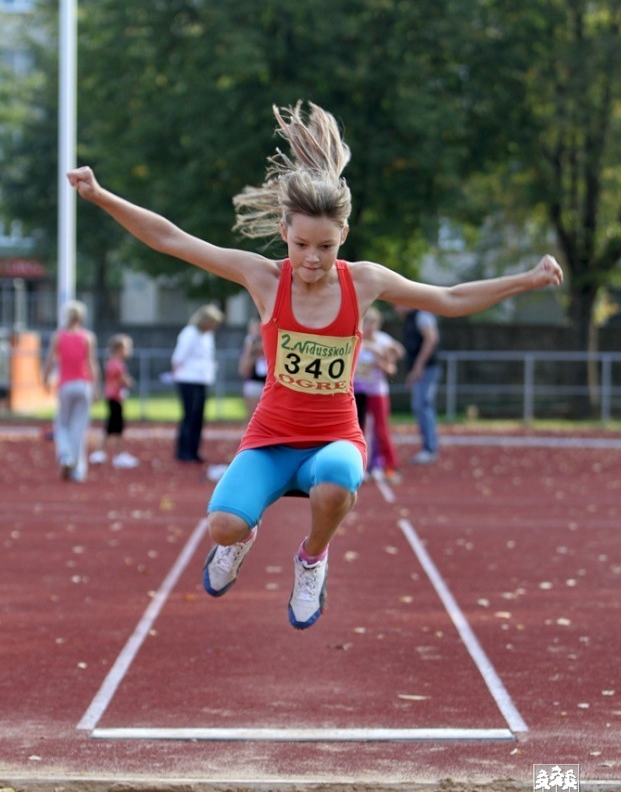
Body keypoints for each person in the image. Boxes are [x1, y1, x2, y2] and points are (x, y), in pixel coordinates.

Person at [67, 100, 563, 630]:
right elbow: (171, 239)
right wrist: (99, 196)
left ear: (343, 238)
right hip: (271, 440)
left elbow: (449, 297)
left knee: (336, 484)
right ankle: (243, 539)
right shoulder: (264, 278)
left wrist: (526, 279)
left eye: (325, 246)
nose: (311, 258)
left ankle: (312, 559)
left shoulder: (364, 281)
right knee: (223, 526)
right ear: (284, 232)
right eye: (301, 243)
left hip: (334, 438)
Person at [42, 300, 100, 482]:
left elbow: (50, 360)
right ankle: (78, 470)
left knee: (62, 424)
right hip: (83, 385)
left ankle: (66, 455)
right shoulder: (87, 337)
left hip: (65, 384)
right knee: (79, 428)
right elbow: (91, 363)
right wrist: (96, 387)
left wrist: (44, 379)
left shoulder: (58, 336)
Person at [353, 306, 404, 482]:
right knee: (358, 430)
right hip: (358, 391)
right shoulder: (356, 339)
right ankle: (360, 467)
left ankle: (390, 467)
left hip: (377, 391)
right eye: (367, 323)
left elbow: (395, 357)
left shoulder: (383, 340)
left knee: (381, 430)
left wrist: (385, 358)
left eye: (374, 323)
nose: (370, 327)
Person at [171, 304, 224, 463]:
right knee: (189, 416)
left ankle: (194, 450)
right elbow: (179, 357)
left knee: (198, 417)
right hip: (188, 379)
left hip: (202, 379)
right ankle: (184, 451)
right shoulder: (190, 333)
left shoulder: (207, 336)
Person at [90, 333, 139, 469]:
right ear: (119, 349)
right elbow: (123, 380)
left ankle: (100, 452)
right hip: (115, 397)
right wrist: (129, 382)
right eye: (127, 348)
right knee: (117, 427)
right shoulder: (116, 364)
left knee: (112, 426)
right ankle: (119, 454)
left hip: (112, 397)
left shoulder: (111, 362)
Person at [399, 307, 441, 464]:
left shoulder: (422, 315)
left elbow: (431, 338)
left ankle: (430, 449)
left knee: (423, 405)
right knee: (421, 406)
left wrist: (419, 366)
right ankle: (429, 447)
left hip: (427, 369)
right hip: (423, 369)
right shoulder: (411, 318)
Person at [238, 318, 268, 419]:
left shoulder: (272, 345)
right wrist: (252, 352)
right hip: (254, 383)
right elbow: (243, 371)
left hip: (270, 385)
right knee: (254, 416)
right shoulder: (250, 347)